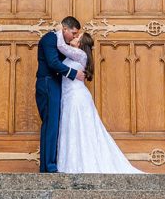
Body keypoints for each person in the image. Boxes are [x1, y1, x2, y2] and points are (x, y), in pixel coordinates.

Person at [54, 28, 143, 174]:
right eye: (75, 35)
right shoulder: (74, 55)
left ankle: (83, 163)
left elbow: (61, 46)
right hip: (69, 97)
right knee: (71, 128)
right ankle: (70, 163)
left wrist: (59, 30)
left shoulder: (81, 55)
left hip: (77, 98)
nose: (75, 37)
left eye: (78, 37)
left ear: (81, 44)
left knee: (81, 129)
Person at [35, 16, 85, 173]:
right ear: (65, 29)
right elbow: (53, 63)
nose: (75, 36)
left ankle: (47, 166)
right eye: (73, 33)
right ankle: (49, 167)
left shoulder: (61, 43)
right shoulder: (50, 39)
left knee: (52, 125)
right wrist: (74, 73)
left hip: (55, 84)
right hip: (48, 83)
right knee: (51, 125)